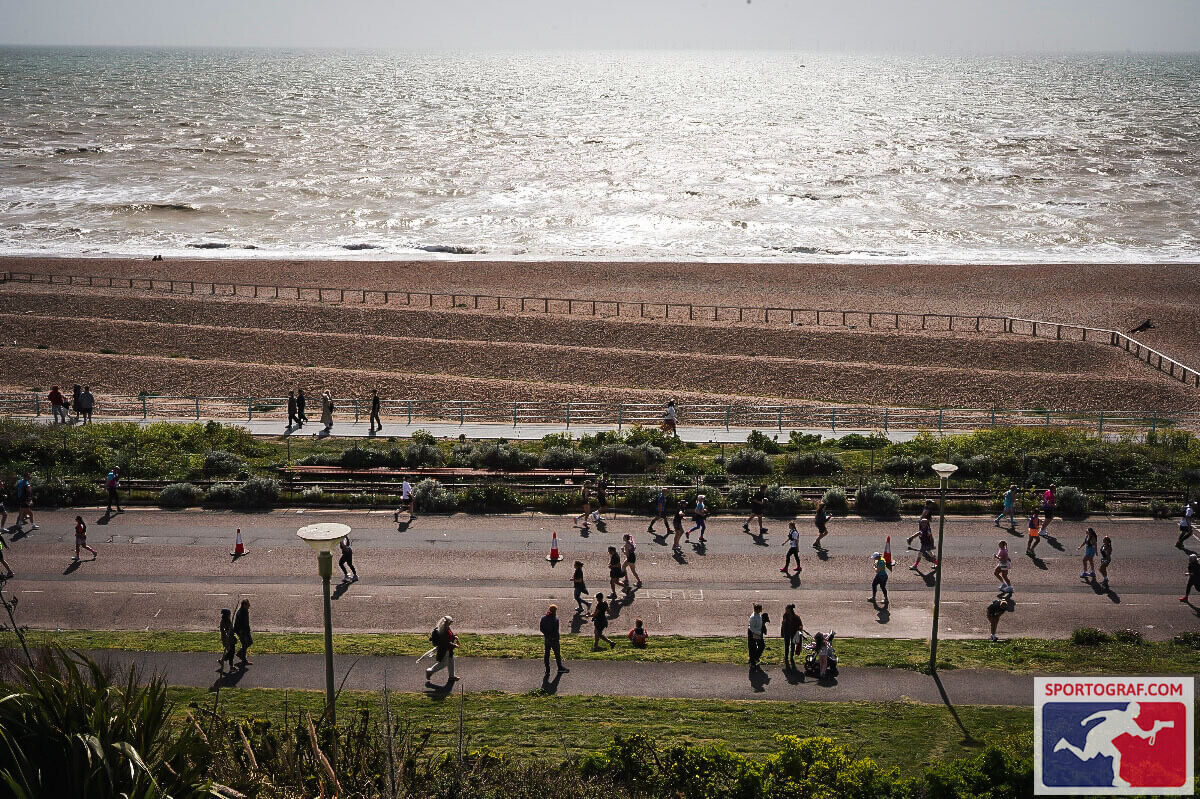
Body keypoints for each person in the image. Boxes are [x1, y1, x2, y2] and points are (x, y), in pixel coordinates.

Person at [425, 615, 458, 682]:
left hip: (448, 649)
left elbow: (449, 637)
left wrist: (454, 637)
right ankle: (430, 671)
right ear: (447, 622)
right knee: (444, 663)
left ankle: (452, 676)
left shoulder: (446, 628)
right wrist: (454, 645)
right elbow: (445, 642)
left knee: (451, 661)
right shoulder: (444, 630)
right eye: (450, 622)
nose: (451, 623)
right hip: (445, 650)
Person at [540, 604, 567, 672]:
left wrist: (547, 635)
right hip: (554, 639)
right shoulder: (555, 619)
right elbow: (555, 630)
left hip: (547, 639)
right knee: (557, 654)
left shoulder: (543, 618)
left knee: (547, 653)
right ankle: (560, 667)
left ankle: (547, 668)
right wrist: (553, 637)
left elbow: (541, 628)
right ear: (555, 611)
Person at [780, 603, 802, 670]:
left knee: (792, 645)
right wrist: (782, 632)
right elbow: (783, 624)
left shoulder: (796, 617)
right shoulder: (785, 615)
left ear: (789, 609)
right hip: (786, 633)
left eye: (786, 609)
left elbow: (800, 625)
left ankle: (791, 657)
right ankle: (786, 657)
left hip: (793, 633)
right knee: (786, 645)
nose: (785, 610)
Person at [233, 599, 253, 667]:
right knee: (245, 645)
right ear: (244, 605)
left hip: (246, 630)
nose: (249, 605)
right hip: (241, 631)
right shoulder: (240, 613)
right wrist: (240, 632)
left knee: (250, 642)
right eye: (248, 604)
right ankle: (244, 660)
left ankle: (239, 653)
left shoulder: (245, 611)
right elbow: (237, 624)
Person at [747, 604, 766, 669]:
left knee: (761, 646)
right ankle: (752, 661)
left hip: (757, 632)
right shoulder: (753, 617)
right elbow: (752, 628)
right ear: (757, 609)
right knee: (752, 647)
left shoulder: (758, 615)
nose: (761, 610)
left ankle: (755, 658)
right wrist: (758, 633)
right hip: (753, 633)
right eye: (760, 608)